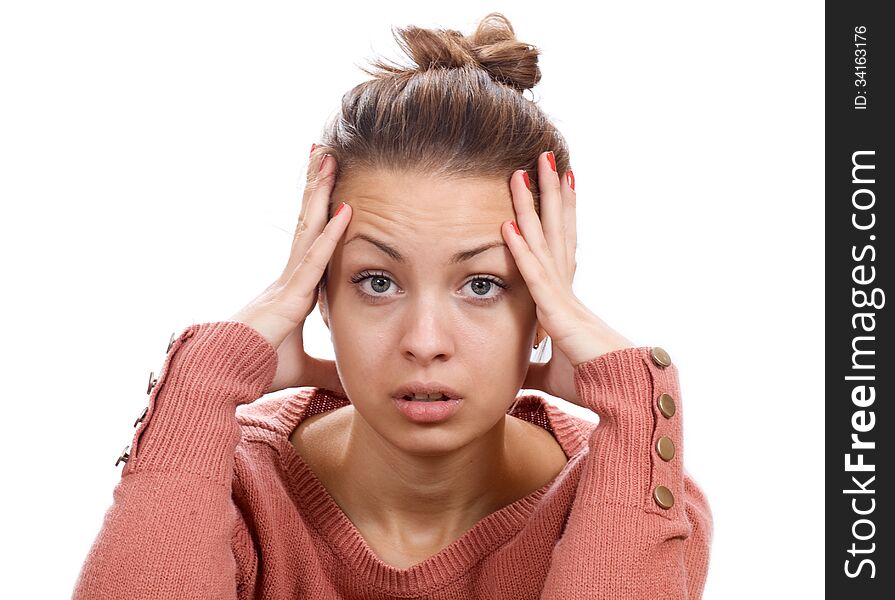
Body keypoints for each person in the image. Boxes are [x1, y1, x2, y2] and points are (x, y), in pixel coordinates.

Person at [72, 12, 712, 599]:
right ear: (318, 292)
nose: (425, 340)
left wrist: (632, 409)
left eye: (482, 285)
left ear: (547, 303)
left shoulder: (630, 490)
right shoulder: (228, 487)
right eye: (378, 282)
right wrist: (201, 383)